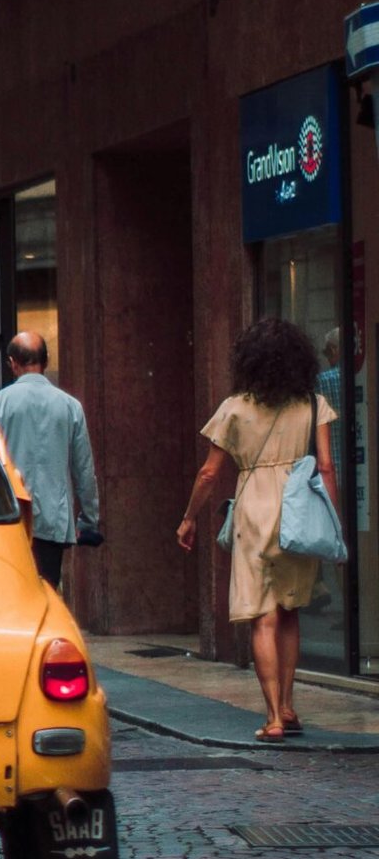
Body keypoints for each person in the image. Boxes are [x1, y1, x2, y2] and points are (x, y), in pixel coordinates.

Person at [178, 317, 339, 744]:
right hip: (299, 511)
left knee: (262, 616)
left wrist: (190, 517)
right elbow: (325, 466)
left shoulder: (234, 408)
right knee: (289, 611)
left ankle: (271, 718)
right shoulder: (312, 403)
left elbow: (210, 474)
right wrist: (334, 520)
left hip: (254, 511)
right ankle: (289, 704)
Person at [0, 330, 101, 590]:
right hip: (54, 518)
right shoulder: (70, 406)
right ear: (46, 362)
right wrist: (90, 519)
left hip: (11, 517)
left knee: (14, 591)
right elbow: (83, 468)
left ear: (12, 363)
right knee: (47, 590)